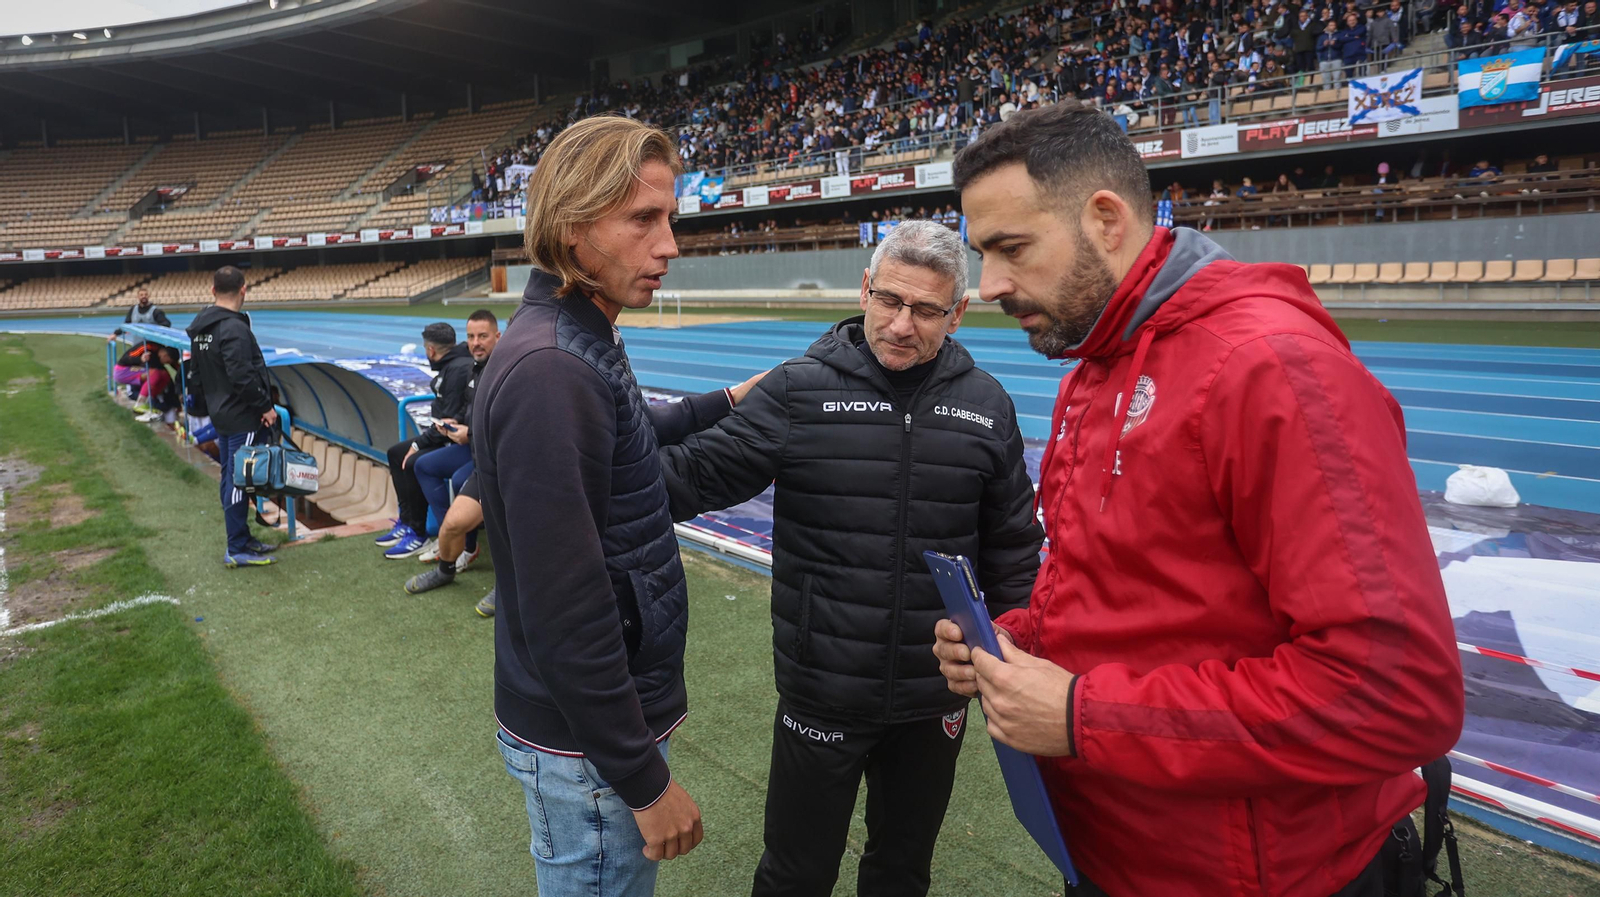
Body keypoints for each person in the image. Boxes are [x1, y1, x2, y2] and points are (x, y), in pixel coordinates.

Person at [940, 100, 1464, 897]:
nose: (988, 286)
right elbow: (1124, 588)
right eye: (983, 254)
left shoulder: (1272, 367)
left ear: (1106, 219)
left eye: (1011, 248)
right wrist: (1014, 644)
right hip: (1120, 854)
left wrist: (1083, 714)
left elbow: (1395, 690)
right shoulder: (1098, 360)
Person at [657, 220, 1043, 897]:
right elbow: (686, 479)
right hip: (824, 687)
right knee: (795, 872)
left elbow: (1014, 548)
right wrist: (575, 449)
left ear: (956, 313)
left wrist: (1012, 641)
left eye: (925, 310)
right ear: (864, 290)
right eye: (889, 300)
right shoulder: (798, 391)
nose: (901, 324)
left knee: (901, 870)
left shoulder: (987, 406)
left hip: (934, 699)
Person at [475, 114, 765, 896]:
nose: (670, 244)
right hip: (592, 754)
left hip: (593, 738)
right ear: (574, 230)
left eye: (669, 218)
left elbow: (628, 436)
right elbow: (566, 609)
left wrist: (728, 401)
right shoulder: (551, 370)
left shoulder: (578, 332)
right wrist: (643, 780)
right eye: (643, 220)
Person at [405, 309, 501, 609]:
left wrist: (468, 435)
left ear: (497, 337)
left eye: (483, 336)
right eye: (471, 336)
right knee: (451, 526)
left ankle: (509, 589)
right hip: (482, 467)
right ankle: (445, 571)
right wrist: (461, 430)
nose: (476, 342)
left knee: (509, 534)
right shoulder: (475, 370)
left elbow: (507, 426)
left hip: (505, 470)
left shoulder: (506, 371)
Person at [186, 266, 281, 568]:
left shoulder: (200, 328)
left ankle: (241, 537)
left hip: (221, 413)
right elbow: (242, 377)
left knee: (230, 477)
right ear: (243, 289)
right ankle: (236, 546)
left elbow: (196, 375)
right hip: (242, 416)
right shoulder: (235, 329)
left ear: (212, 290)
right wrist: (265, 406)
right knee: (239, 480)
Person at [375, 322, 474, 559]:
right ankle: (408, 521)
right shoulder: (455, 366)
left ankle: (421, 532)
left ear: (430, 350)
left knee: (411, 460)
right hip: (450, 433)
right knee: (396, 452)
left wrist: (419, 443)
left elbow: (448, 421)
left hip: (456, 438)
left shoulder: (457, 370)